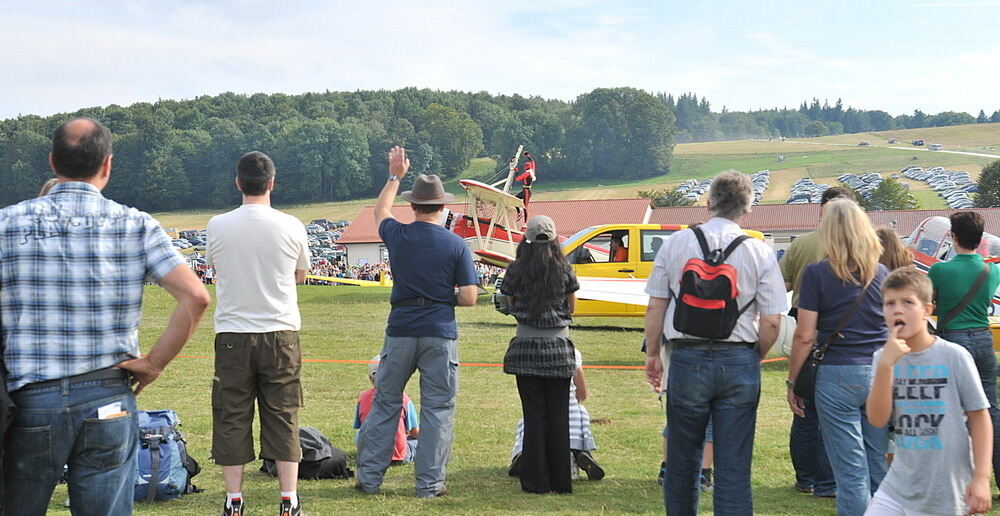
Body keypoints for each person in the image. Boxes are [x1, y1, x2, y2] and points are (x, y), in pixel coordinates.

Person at [0, 117, 210, 514]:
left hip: (31, 401)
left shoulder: (8, 222)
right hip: (108, 397)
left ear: (52, 161)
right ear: (107, 165)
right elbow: (196, 297)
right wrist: (153, 364)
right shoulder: (136, 224)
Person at [644, 170, 786, 515]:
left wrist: (653, 354)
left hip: (687, 357)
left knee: (681, 462)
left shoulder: (677, 242)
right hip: (738, 358)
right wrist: (755, 356)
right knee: (734, 467)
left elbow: (657, 304)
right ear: (747, 209)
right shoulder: (759, 250)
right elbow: (771, 321)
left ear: (708, 203)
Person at [355, 146, 478, 498]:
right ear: (442, 208)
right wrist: (443, 297)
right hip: (439, 331)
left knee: (385, 403)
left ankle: (370, 479)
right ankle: (429, 484)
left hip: (401, 329)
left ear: (413, 206)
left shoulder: (399, 235)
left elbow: (380, 210)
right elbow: (469, 297)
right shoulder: (456, 245)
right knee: (438, 408)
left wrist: (395, 175)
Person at [206, 151, 310, 516]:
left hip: (233, 332)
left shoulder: (217, 225)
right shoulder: (292, 225)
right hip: (281, 331)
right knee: (283, 413)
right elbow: (301, 275)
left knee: (231, 415)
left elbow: (215, 268)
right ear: (272, 183)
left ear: (238, 183)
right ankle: (288, 499)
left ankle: (234, 500)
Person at [787, 199, 889, 515]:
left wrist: (793, 381)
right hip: (878, 371)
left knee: (850, 467)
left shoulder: (817, 274)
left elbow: (805, 335)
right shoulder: (882, 273)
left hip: (837, 373)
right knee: (876, 459)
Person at [865, 268, 993, 515]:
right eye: (889, 303)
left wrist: (980, 477)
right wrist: (885, 367)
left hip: (947, 491)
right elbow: (877, 419)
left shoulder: (954, 356)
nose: (897, 310)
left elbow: (980, 418)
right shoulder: (882, 358)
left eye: (907, 302)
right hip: (898, 488)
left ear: (926, 310)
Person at [779, 187, 854, 498]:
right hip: (849, 331)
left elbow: (780, 284)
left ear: (821, 210)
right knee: (838, 413)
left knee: (805, 407)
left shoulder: (803, 243)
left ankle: (806, 478)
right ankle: (829, 480)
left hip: (807, 325)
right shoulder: (863, 246)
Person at [499, 219, 584, 494]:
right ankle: (561, 480)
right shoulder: (563, 268)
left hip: (525, 348)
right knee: (559, 415)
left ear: (527, 240)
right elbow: (572, 305)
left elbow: (509, 302)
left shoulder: (516, 269)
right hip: (558, 348)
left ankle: (535, 480)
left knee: (533, 415)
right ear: (554, 239)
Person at [927, 211, 1000, 489]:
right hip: (983, 340)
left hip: (953, 340)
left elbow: (929, 303)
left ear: (952, 236)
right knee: (990, 411)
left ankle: (956, 479)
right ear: (981, 238)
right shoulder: (992, 270)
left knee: (951, 412)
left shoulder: (939, 270)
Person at [509, 348, 605, 482]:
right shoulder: (571, 352)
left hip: (537, 416)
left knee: (527, 422)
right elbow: (582, 394)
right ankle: (579, 452)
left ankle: (523, 454)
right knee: (580, 414)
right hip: (569, 417)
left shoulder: (527, 352)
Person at [355, 355, 419, 464]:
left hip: (369, 455)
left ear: (371, 378)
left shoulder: (363, 398)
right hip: (397, 456)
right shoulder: (404, 399)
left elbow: (361, 426)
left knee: (358, 435)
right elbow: (415, 433)